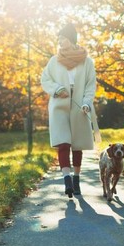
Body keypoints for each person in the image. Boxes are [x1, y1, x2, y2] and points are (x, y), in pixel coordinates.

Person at [41, 23, 98, 198]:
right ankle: (67, 180)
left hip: (79, 105)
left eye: (63, 38)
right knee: (63, 143)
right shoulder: (54, 60)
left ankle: (76, 179)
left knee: (77, 144)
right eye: (58, 38)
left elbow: (90, 85)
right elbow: (45, 80)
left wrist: (87, 102)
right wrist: (57, 88)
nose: (60, 41)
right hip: (59, 104)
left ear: (71, 39)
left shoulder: (87, 62)